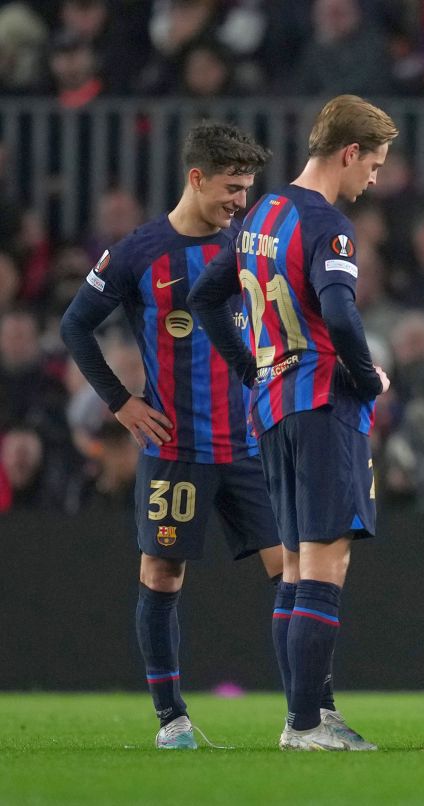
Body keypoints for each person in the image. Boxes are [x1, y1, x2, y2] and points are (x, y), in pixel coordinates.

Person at [59, 122, 281, 750]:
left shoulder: (246, 247)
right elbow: (76, 327)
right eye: (231, 188)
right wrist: (122, 403)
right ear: (196, 178)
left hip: (249, 445)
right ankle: (172, 720)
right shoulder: (139, 251)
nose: (240, 202)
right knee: (162, 576)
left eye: (247, 190)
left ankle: (309, 716)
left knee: (294, 572)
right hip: (176, 448)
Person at [188, 95, 397, 751]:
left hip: (271, 407)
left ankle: (309, 714)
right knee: (323, 567)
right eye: (375, 164)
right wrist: (368, 380)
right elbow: (340, 314)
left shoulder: (263, 213)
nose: (375, 179)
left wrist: (253, 370)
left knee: (299, 569)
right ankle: (305, 725)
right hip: (319, 403)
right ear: (348, 153)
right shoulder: (325, 224)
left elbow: (205, 297)